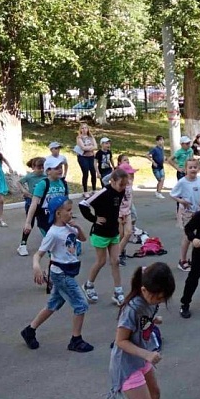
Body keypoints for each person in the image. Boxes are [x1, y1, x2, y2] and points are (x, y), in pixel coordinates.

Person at [21, 196, 93, 352]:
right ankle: (76, 340)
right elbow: (38, 254)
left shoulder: (69, 227)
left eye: (71, 210)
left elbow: (83, 239)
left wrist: (78, 227)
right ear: (58, 213)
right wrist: (36, 266)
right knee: (81, 305)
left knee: (53, 305)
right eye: (68, 210)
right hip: (61, 275)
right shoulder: (53, 233)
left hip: (68, 272)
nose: (71, 213)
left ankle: (29, 330)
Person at [109, 263, 176, 399]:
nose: (160, 301)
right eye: (159, 298)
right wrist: (146, 354)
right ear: (145, 290)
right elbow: (121, 341)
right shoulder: (131, 309)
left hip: (140, 358)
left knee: (155, 395)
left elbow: (141, 322)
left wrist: (152, 320)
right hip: (127, 365)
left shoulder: (149, 299)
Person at [79, 168, 129, 305]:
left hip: (113, 232)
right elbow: (83, 204)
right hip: (100, 233)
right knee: (101, 261)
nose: (123, 188)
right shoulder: (103, 193)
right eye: (121, 185)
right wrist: (94, 219)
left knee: (116, 261)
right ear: (112, 181)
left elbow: (116, 207)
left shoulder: (121, 191)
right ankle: (88, 285)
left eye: (125, 185)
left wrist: (121, 216)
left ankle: (118, 291)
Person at [171, 160, 200, 272]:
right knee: (188, 236)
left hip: (198, 211)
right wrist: (182, 201)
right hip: (187, 212)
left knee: (198, 235)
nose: (193, 169)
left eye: (195, 167)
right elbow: (173, 194)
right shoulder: (182, 182)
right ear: (186, 169)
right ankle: (183, 261)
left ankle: (193, 259)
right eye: (190, 167)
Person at [17, 157, 46, 256]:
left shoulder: (46, 176)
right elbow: (18, 182)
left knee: (44, 222)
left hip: (43, 203)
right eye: (39, 167)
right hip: (31, 201)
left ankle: (49, 241)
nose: (41, 169)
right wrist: (24, 191)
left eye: (43, 167)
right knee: (30, 223)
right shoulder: (29, 177)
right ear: (33, 167)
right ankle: (23, 244)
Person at [75, 123, 97, 197]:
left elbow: (96, 146)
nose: (84, 130)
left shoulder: (91, 137)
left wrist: (89, 147)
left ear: (88, 129)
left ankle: (94, 189)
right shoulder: (79, 138)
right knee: (85, 173)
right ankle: (85, 191)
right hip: (83, 157)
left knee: (93, 173)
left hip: (91, 157)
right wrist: (91, 147)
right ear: (80, 130)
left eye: (85, 128)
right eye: (82, 128)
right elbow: (83, 148)